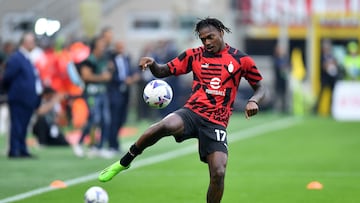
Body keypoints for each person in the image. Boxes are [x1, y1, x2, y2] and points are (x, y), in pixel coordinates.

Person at [98, 17, 266, 203]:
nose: (207, 42)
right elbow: (163, 71)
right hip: (192, 112)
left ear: (221, 32)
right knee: (166, 125)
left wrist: (253, 101)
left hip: (216, 121)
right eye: (203, 39)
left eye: (210, 37)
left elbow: (260, 87)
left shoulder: (241, 60)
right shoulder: (193, 55)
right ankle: (125, 161)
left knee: (218, 172)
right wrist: (153, 64)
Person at [2, 32, 43, 158]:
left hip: (27, 99)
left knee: (24, 126)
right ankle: (14, 150)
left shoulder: (26, 58)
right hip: (19, 98)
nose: (33, 44)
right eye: (31, 41)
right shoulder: (16, 58)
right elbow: (7, 77)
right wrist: (15, 91)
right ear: (24, 43)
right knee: (17, 125)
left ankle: (22, 149)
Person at [72, 36, 112, 158]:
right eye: (101, 45)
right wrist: (102, 78)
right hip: (92, 93)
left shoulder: (104, 60)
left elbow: (109, 73)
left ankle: (99, 147)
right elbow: (86, 77)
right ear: (95, 47)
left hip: (102, 92)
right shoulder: (89, 60)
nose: (103, 48)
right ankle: (79, 143)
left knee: (106, 120)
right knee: (94, 118)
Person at [107, 41, 140, 155]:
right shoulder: (110, 59)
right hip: (114, 92)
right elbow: (111, 76)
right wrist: (123, 80)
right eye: (119, 47)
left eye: (122, 47)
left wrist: (133, 77)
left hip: (125, 92)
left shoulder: (127, 58)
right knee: (114, 119)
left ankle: (115, 143)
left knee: (122, 119)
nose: (121, 50)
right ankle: (112, 144)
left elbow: (131, 71)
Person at [272, 43, 290, 114]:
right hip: (278, 80)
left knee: (284, 95)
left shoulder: (285, 58)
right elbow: (279, 67)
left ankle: (284, 108)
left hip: (284, 80)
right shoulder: (275, 58)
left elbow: (288, 66)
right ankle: (277, 109)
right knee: (277, 95)